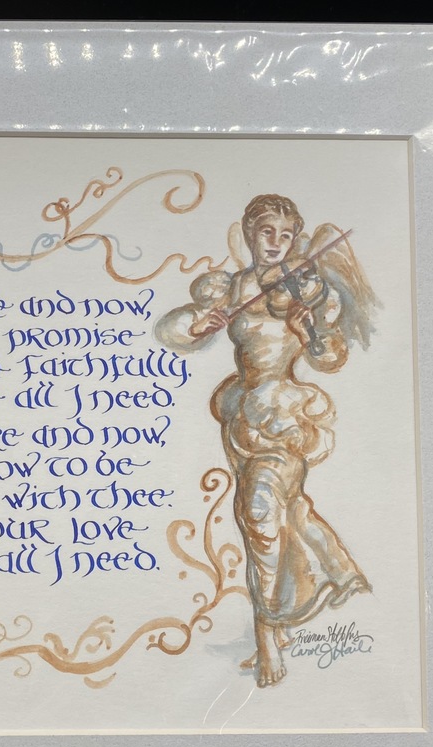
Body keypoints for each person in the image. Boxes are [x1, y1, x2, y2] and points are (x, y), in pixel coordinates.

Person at [168, 194, 375, 688]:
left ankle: (268, 636)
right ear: (248, 234)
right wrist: (202, 325)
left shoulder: (307, 288)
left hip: (283, 417)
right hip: (240, 416)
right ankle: (312, 593)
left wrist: (308, 334)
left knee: (261, 516)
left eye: (286, 235)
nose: (276, 244)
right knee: (274, 517)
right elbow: (176, 332)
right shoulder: (234, 286)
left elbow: (331, 358)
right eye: (266, 233)